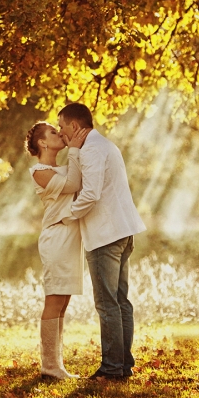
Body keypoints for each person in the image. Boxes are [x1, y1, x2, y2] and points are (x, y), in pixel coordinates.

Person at [58, 102, 146, 381]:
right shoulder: (105, 145)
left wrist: (66, 215)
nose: (60, 134)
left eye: (62, 127)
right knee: (120, 301)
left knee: (108, 303)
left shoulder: (92, 149)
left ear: (74, 126)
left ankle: (111, 370)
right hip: (122, 231)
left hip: (106, 235)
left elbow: (91, 194)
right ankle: (123, 366)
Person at [25, 121, 90, 379]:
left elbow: (80, 180)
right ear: (42, 142)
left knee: (64, 301)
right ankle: (49, 366)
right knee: (54, 299)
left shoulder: (62, 167)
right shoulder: (39, 171)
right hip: (56, 237)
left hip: (72, 238)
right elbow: (74, 185)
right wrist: (74, 149)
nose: (59, 134)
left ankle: (57, 366)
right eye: (53, 132)